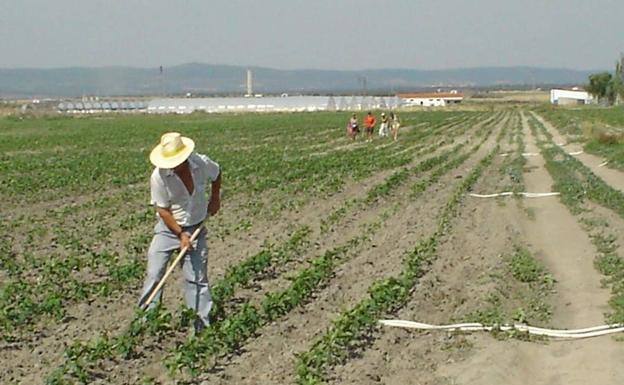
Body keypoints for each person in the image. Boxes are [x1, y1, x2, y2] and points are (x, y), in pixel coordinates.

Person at [138, 132, 221, 334]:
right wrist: (180, 234)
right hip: (167, 230)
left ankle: (201, 325)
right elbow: (163, 210)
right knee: (155, 272)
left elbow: (217, 174)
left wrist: (215, 198)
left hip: (196, 227)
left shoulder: (200, 163)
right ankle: (146, 322)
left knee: (196, 278)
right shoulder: (158, 177)